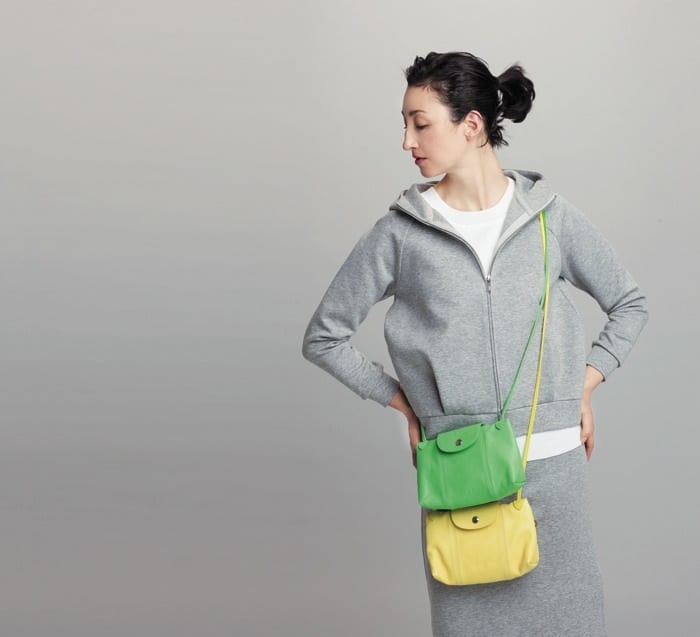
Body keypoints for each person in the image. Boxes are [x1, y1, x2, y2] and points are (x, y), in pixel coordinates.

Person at [301, 51, 649, 637]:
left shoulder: (550, 219)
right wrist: (404, 403)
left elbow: (629, 302)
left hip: (554, 466)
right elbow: (324, 336)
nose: (407, 141)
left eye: (420, 123)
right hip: (461, 472)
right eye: (405, 124)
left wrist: (582, 384)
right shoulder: (400, 233)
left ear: (471, 125)